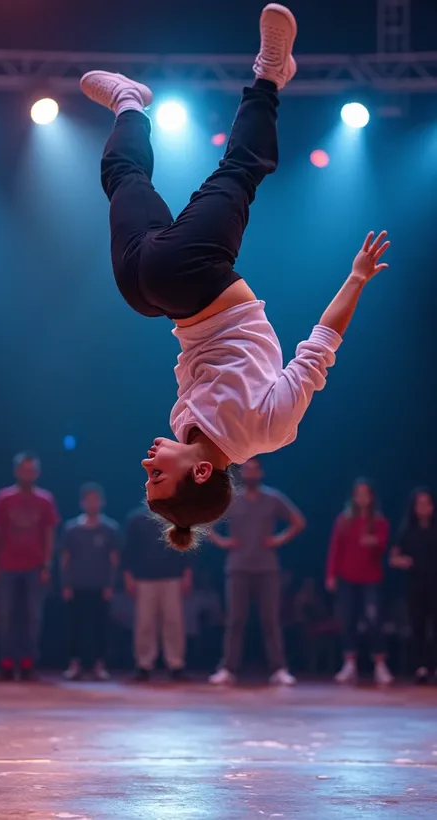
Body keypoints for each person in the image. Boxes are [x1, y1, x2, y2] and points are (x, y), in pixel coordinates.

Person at [80, 4, 390, 551]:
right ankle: (270, 74)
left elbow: (195, 352)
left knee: (123, 181)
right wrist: (357, 279)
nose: (147, 465)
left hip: (155, 294)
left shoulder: (183, 425)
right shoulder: (268, 429)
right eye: (156, 476)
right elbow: (320, 348)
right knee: (239, 172)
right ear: (200, 473)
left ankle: (129, 103)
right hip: (197, 280)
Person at [208, 458, 305, 686]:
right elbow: (207, 522)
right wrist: (222, 542)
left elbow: (298, 521)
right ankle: (228, 668)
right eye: (247, 469)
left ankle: (279, 668)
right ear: (242, 473)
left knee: (270, 620)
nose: (251, 473)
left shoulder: (272, 498)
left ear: (261, 473)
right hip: (238, 567)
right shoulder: (231, 498)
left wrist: (278, 539)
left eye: (255, 469)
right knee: (235, 620)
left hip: (267, 568)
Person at [0, 452, 59, 681]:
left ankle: (28, 664)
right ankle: (7, 664)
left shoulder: (45, 500)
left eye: (31, 470)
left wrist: (47, 565)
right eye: (23, 469)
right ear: (17, 472)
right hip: (7, 565)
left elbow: (49, 534)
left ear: (36, 473)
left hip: (34, 567)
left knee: (32, 617)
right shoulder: (4, 499)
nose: (27, 474)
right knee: (7, 615)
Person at [326, 478, 393, 686]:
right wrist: (331, 574)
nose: (362, 497)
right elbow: (335, 549)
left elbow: (384, 546)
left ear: (371, 497)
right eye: (358, 493)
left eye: (366, 493)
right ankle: (349, 664)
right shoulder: (344, 520)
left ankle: (380, 665)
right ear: (354, 497)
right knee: (348, 620)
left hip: (371, 579)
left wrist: (375, 543)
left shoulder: (379, 522)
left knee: (374, 621)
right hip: (347, 578)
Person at [123, 506, 192, 682]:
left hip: (172, 576)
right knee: (144, 622)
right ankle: (144, 665)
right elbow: (129, 549)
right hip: (144, 577)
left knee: (174, 622)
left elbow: (185, 545)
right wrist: (128, 575)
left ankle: (176, 664)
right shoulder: (136, 519)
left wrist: (187, 573)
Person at [61, 483, 120, 681]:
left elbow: (113, 560)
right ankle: (75, 663)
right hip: (77, 585)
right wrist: (66, 584)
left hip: (100, 586)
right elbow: (65, 559)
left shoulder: (110, 529)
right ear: (82, 502)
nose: (92, 503)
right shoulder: (72, 529)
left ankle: (99, 664)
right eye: (89, 499)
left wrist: (110, 585)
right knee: (75, 627)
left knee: (100, 627)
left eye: (96, 499)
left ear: (102, 502)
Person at [390, 488, 437, 684]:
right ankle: (421, 667)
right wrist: (402, 561)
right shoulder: (407, 530)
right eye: (420, 504)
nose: (424, 508)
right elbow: (393, 558)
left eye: (427, 503)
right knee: (418, 625)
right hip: (416, 585)